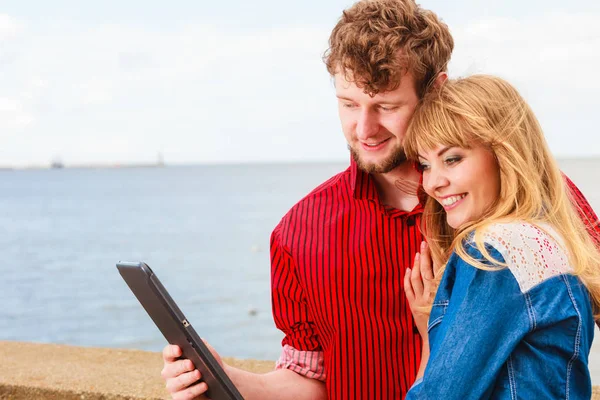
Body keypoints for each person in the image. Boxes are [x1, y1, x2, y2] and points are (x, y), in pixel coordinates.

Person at [160, 1, 600, 399]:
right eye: (349, 104)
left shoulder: (527, 200)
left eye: (386, 106)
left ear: (435, 90)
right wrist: (226, 380)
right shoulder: (298, 230)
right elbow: (309, 376)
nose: (364, 129)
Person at [402, 75, 599, 399]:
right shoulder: (551, 239)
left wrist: (428, 334)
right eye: (425, 164)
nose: (432, 183)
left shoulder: (494, 254)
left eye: (452, 159)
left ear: (504, 153)